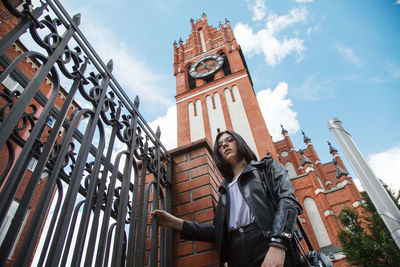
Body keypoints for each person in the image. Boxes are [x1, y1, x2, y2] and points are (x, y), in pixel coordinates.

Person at [152, 130, 303, 267]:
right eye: (219, 145)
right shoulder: (224, 190)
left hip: (266, 241)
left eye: (229, 140)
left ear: (240, 142)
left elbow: (287, 200)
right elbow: (218, 233)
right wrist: (176, 223)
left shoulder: (266, 168)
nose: (224, 144)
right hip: (236, 253)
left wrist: (278, 243)